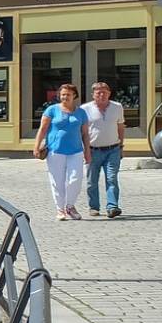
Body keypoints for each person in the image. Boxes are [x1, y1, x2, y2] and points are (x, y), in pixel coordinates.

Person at [34, 83, 90, 221]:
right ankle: (60, 209)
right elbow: (42, 129)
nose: (65, 97)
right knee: (57, 181)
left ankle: (70, 206)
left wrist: (87, 151)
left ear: (74, 96)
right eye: (63, 94)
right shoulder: (52, 110)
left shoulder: (81, 112)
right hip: (55, 150)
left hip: (76, 150)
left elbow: (85, 134)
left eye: (68, 94)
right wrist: (36, 146)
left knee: (75, 179)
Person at [83, 81, 126, 218]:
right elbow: (83, 131)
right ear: (93, 95)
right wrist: (85, 150)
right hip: (93, 149)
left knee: (112, 178)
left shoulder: (117, 107)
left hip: (112, 149)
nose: (101, 95)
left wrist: (121, 146)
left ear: (109, 93)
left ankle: (112, 206)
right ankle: (94, 207)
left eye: (104, 92)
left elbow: (120, 126)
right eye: (98, 92)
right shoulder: (85, 109)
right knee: (91, 181)